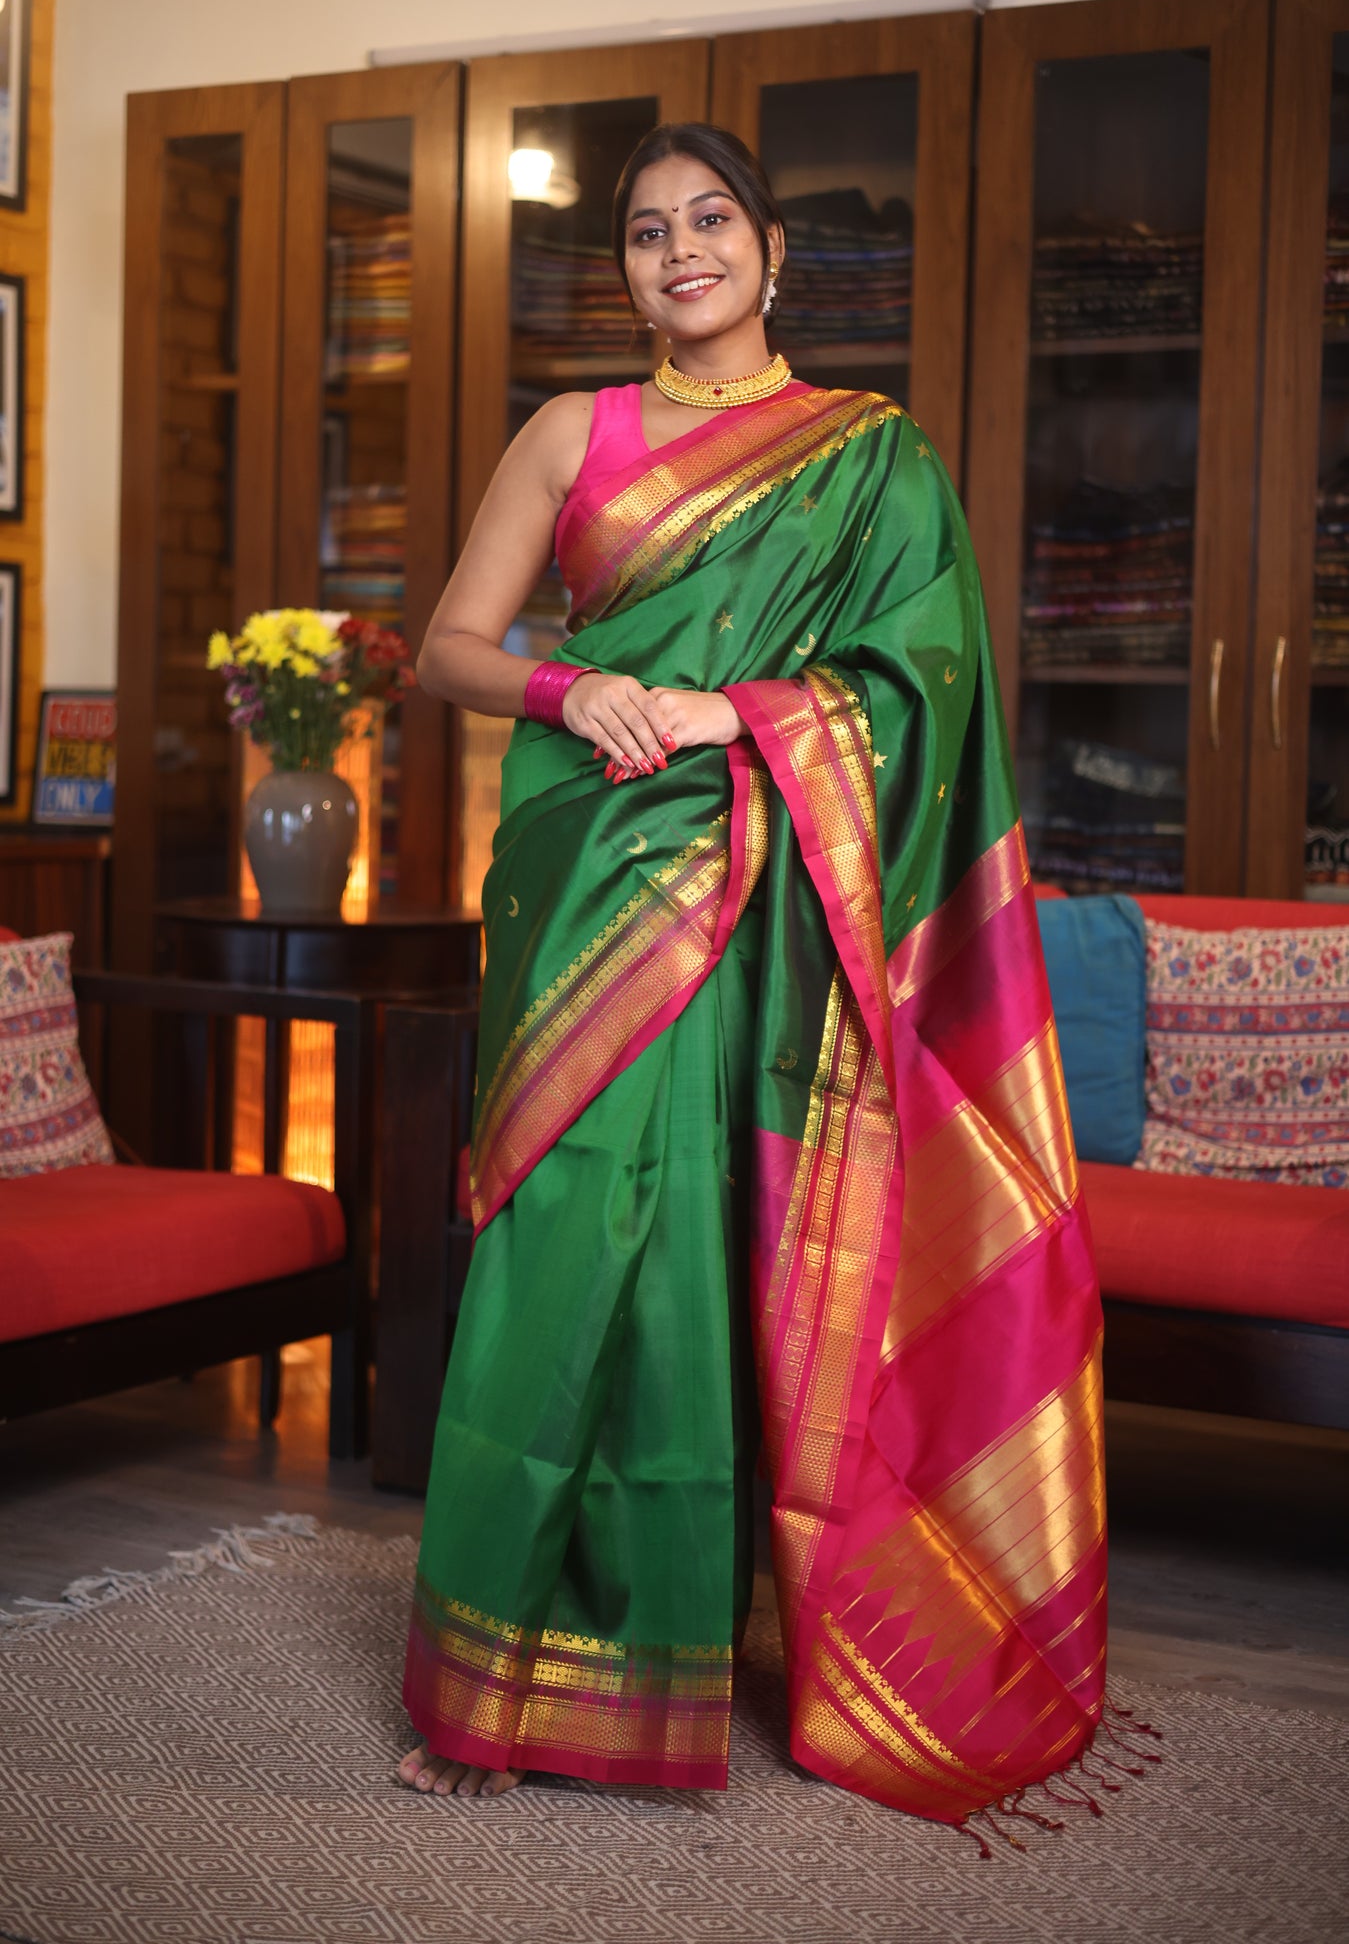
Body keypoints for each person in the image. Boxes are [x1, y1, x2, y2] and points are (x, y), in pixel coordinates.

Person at [396, 122, 1107, 1822]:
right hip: (590, 887)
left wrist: (741, 712)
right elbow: (447, 649)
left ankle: (672, 1657)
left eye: (709, 220)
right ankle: (492, 1677)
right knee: (562, 1250)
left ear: (773, 250)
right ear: (625, 274)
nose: (681, 253)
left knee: (710, 1260)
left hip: (773, 894)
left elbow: (929, 686)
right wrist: (573, 689)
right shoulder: (571, 432)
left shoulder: (872, 458)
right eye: (647, 234)